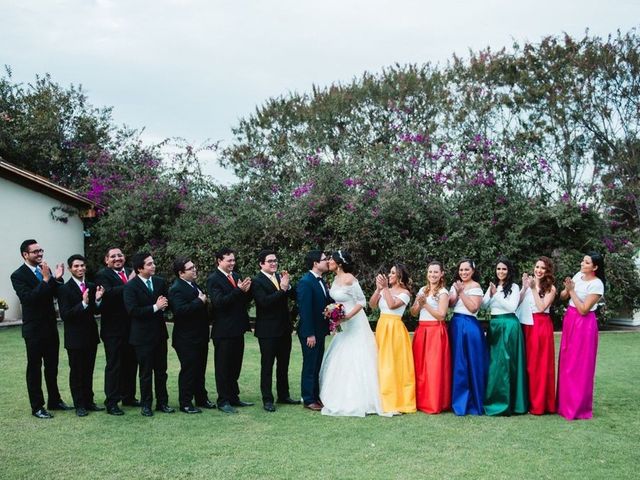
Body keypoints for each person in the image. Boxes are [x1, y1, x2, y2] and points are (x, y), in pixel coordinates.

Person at [319, 250, 388, 417]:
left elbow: (362, 301)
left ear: (339, 263)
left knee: (357, 355)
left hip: (355, 322)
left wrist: (348, 316)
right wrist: (334, 315)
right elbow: (336, 301)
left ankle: (361, 398)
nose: (329, 261)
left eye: (332, 260)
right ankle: (338, 394)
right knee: (341, 355)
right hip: (343, 325)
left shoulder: (350, 278)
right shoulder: (334, 279)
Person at [10, 239, 72, 419]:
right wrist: (46, 280)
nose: (40, 254)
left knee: (52, 366)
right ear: (25, 254)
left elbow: (53, 293)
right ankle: (37, 406)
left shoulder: (46, 270)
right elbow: (29, 299)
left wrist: (57, 279)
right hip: (34, 330)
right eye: (35, 251)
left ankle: (55, 400)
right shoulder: (18, 275)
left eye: (41, 250)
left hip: (50, 328)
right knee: (35, 368)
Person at [123, 252, 174, 416]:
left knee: (161, 371)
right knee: (145, 373)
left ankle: (162, 403)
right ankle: (146, 405)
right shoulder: (131, 286)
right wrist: (155, 307)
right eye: (149, 264)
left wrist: (165, 306)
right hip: (142, 337)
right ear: (139, 268)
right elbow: (132, 311)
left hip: (159, 334)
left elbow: (167, 302)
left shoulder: (159, 282)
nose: (154, 266)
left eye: (153, 263)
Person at [557, 252, 605, 420]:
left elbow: (584, 309)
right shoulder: (578, 275)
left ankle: (578, 407)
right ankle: (564, 404)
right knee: (567, 360)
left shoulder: (597, 284)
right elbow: (563, 297)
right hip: (570, 319)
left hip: (584, 324)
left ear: (595, 267)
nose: (582, 264)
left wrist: (572, 292)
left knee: (580, 363)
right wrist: (567, 288)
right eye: (583, 261)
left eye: (586, 262)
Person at [251, 250, 299, 413]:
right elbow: (264, 303)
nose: (273, 263)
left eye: (275, 260)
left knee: (283, 364)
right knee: (267, 365)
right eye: (270, 261)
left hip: (284, 329)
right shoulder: (257, 281)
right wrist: (282, 290)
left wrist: (288, 286)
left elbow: (293, 296)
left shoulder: (280, 277)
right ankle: (267, 399)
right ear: (261, 264)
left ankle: (283, 395)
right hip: (267, 331)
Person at [207, 247, 253, 414]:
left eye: (234, 260)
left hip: (237, 328)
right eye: (229, 260)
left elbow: (241, 300)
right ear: (219, 261)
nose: (233, 263)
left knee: (235, 365)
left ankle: (234, 396)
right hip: (223, 330)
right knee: (223, 367)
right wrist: (239, 291)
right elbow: (219, 303)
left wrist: (246, 292)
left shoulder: (235, 276)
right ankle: (223, 400)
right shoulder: (213, 279)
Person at [57, 254, 105, 417]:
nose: (80, 268)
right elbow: (66, 315)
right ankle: (79, 405)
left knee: (88, 371)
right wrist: (83, 303)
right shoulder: (64, 289)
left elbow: (95, 311)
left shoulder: (91, 286)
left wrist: (97, 300)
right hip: (75, 338)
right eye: (76, 266)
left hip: (90, 336)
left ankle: (89, 401)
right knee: (77, 372)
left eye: (82, 265)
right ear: (70, 269)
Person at [168, 257, 216, 414]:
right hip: (186, 338)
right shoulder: (176, 289)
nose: (195, 270)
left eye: (194, 267)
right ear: (181, 273)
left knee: (200, 369)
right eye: (190, 268)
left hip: (200, 336)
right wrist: (199, 302)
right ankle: (186, 402)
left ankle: (201, 398)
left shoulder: (193, 284)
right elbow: (180, 312)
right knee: (189, 370)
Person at [95, 247, 139, 415]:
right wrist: (130, 283)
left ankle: (129, 396)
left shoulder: (130, 271)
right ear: (107, 260)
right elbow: (109, 294)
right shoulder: (102, 275)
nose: (117, 258)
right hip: (113, 330)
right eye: (112, 256)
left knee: (131, 363)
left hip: (132, 328)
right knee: (114, 365)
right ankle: (112, 401)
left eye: (119, 255)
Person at [482, 257, 527, 416]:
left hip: (508, 325)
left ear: (509, 271)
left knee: (507, 363)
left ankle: (509, 402)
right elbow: (483, 305)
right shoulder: (493, 286)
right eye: (498, 269)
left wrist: (496, 295)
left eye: (504, 269)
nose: (500, 272)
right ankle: (494, 399)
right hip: (494, 325)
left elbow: (512, 306)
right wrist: (490, 293)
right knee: (494, 364)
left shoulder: (513, 287)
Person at [370, 263, 416, 414]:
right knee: (381, 361)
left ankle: (395, 399)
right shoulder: (385, 290)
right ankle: (380, 397)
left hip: (395, 328)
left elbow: (392, 305)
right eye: (389, 273)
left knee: (392, 364)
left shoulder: (405, 293)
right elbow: (372, 305)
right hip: (382, 326)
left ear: (400, 276)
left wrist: (384, 289)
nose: (389, 275)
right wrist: (378, 289)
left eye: (392, 273)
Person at [409, 260, 451, 414]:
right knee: (420, 367)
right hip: (422, 330)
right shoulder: (422, 290)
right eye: (430, 272)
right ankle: (420, 400)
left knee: (434, 368)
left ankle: (434, 402)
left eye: (435, 272)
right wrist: (419, 304)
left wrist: (425, 304)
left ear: (441, 274)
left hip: (435, 331)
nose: (432, 275)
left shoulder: (443, 293)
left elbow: (441, 315)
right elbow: (413, 313)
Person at [448, 258, 488, 416]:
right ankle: (457, 400)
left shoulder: (476, 286)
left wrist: (461, 292)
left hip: (469, 326)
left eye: (466, 270)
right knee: (458, 363)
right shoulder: (456, 285)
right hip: (456, 324)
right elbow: (450, 304)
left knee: (470, 363)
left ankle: (472, 401)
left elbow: (473, 308)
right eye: (461, 270)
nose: (463, 273)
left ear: (473, 271)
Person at [517, 256, 557, 415]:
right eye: (537, 267)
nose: (539, 270)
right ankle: (524, 401)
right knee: (525, 365)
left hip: (540, 327)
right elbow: (517, 304)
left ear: (547, 272)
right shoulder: (529, 284)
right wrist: (524, 287)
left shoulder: (550, 288)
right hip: (525, 325)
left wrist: (533, 288)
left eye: (543, 268)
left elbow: (541, 308)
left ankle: (539, 404)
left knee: (538, 366)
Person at [296, 250, 332, 411]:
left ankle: (315, 396)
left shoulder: (321, 281)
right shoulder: (306, 282)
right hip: (310, 333)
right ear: (315, 263)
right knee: (310, 365)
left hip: (320, 330)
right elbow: (305, 310)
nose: (327, 261)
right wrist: (310, 334)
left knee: (317, 364)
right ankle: (308, 398)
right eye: (324, 259)